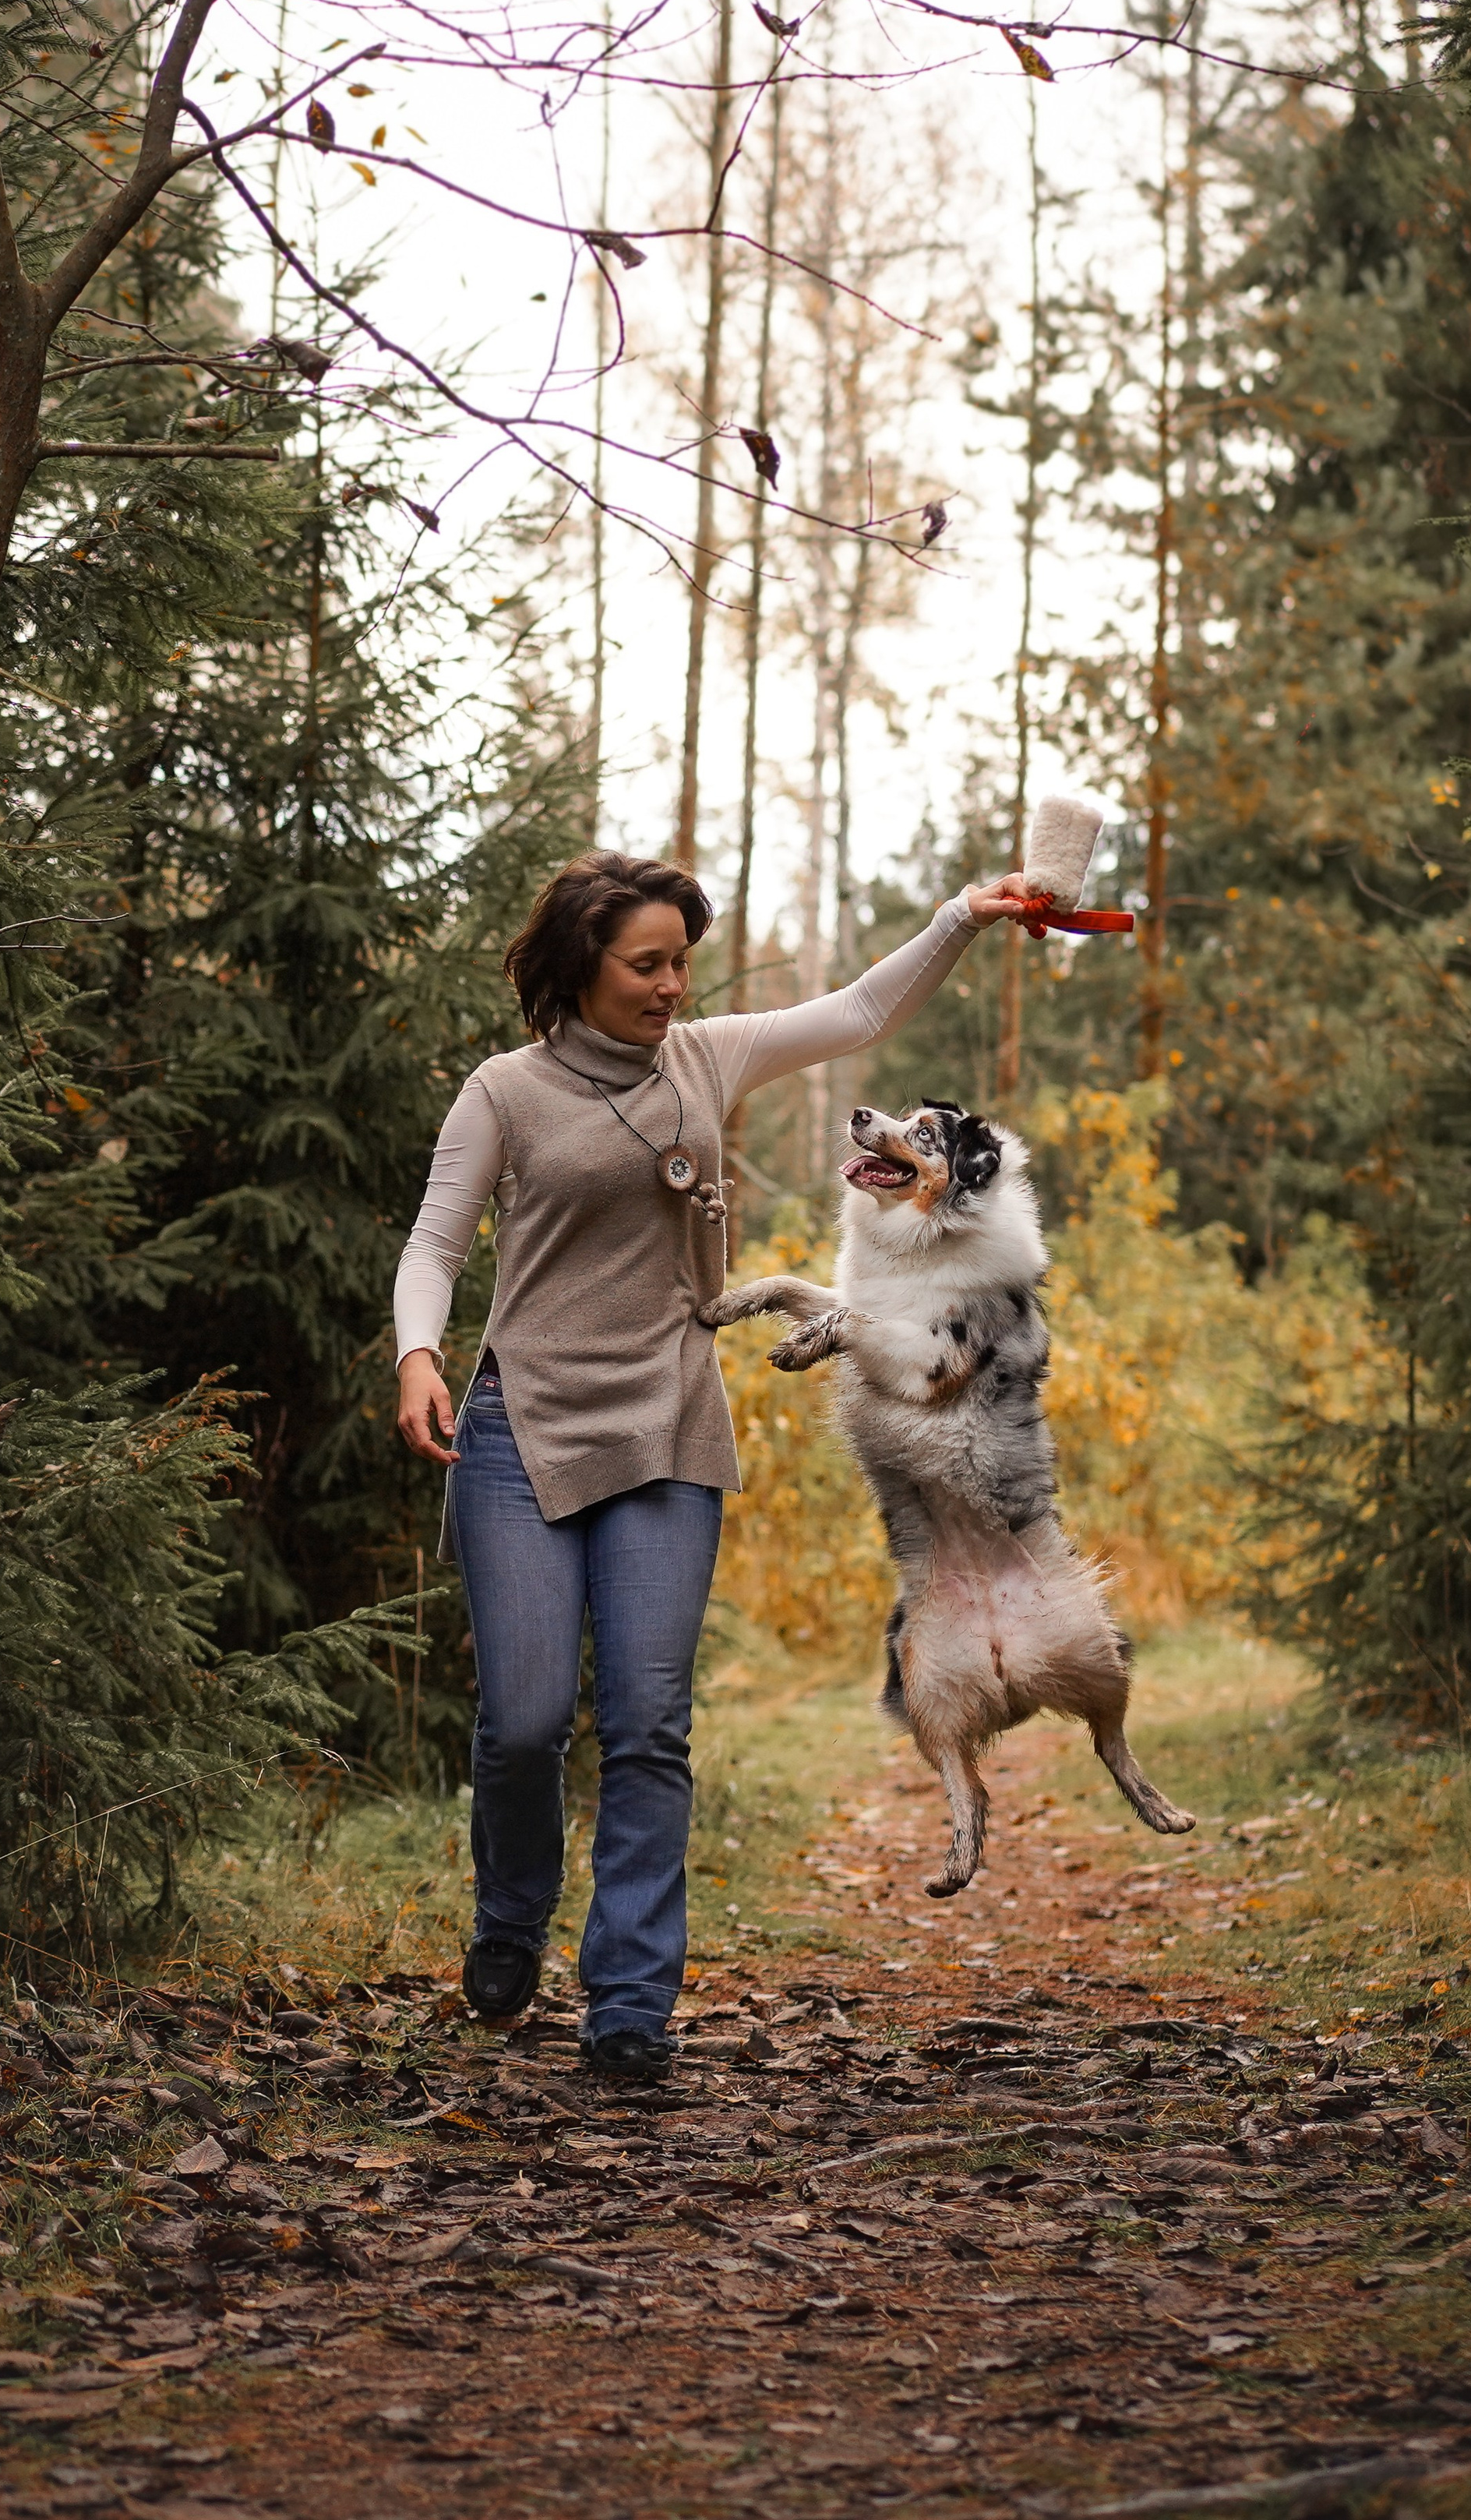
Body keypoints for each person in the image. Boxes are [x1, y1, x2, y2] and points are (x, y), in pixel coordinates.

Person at [393, 849, 1039, 2077]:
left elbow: (856, 1012)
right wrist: (418, 1353)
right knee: (525, 1722)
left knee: (647, 1728)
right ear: (582, 967)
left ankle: (630, 2006)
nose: (674, 986)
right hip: (518, 1421)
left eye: (682, 961)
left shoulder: (704, 1058)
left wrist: (963, 914)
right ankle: (511, 1916)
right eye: (648, 964)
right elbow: (435, 1240)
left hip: (670, 1423)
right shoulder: (503, 1092)